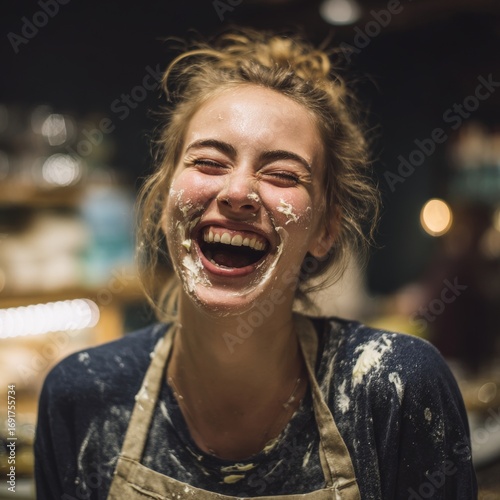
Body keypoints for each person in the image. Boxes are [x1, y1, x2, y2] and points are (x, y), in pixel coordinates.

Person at [35, 29, 477, 499]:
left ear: (326, 229)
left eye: (282, 174)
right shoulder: (82, 396)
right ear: (164, 200)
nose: (238, 192)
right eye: (208, 162)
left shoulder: (395, 390)